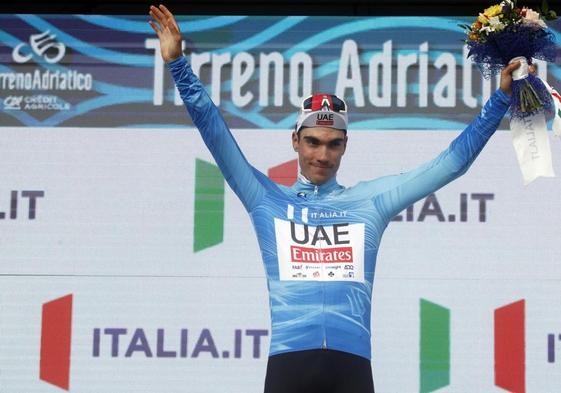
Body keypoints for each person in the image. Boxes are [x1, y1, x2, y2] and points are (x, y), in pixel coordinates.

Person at [149, 4, 522, 393]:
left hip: (352, 369)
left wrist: (499, 101)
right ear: (295, 141)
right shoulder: (266, 199)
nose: (322, 155)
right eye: (312, 142)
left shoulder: (369, 202)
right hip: (288, 366)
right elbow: (215, 133)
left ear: (345, 145)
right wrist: (178, 65)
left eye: (333, 144)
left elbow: (450, 164)